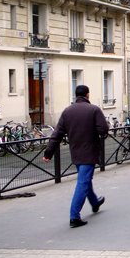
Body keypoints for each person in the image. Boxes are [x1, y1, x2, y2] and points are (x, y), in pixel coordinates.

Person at [42, 85, 109, 228]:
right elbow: (103, 129)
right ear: (87, 95)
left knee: (85, 180)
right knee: (83, 182)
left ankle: (95, 202)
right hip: (89, 152)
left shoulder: (67, 112)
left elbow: (56, 135)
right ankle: (74, 216)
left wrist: (48, 153)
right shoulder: (94, 110)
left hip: (76, 152)